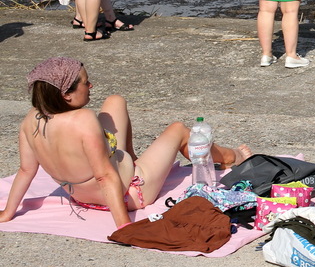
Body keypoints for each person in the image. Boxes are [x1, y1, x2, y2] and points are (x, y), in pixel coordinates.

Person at [0, 57, 252, 230]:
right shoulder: (84, 119)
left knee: (114, 102)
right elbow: (103, 176)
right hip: (127, 193)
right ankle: (231, 157)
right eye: (85, 83)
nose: (90, 85)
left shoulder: (31, 119)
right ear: (66, 94)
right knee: (178, 130)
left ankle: (133, 158)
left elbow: (26, 171)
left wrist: (7, 213)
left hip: (81, 196)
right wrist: (124, 226)